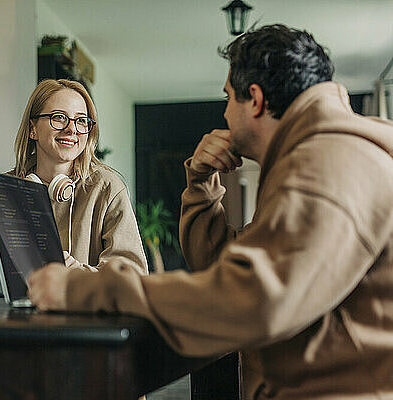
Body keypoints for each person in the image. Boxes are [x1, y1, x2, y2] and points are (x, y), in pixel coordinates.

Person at [28, 24, 393, 400]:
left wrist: (85, 290)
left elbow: (252, 300)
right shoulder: (317, 156)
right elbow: (224, 264)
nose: (224, 113)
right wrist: (201, 185)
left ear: (254, 99)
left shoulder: (331, 161)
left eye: (227, 99)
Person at [11, 78, 147, 274]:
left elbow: (134, 275)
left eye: (81, 120)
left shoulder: (107, 187)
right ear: (33, 129)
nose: (72, 129)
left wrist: (77, 273)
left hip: (82, 305)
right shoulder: (7, 187)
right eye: (58, 117)